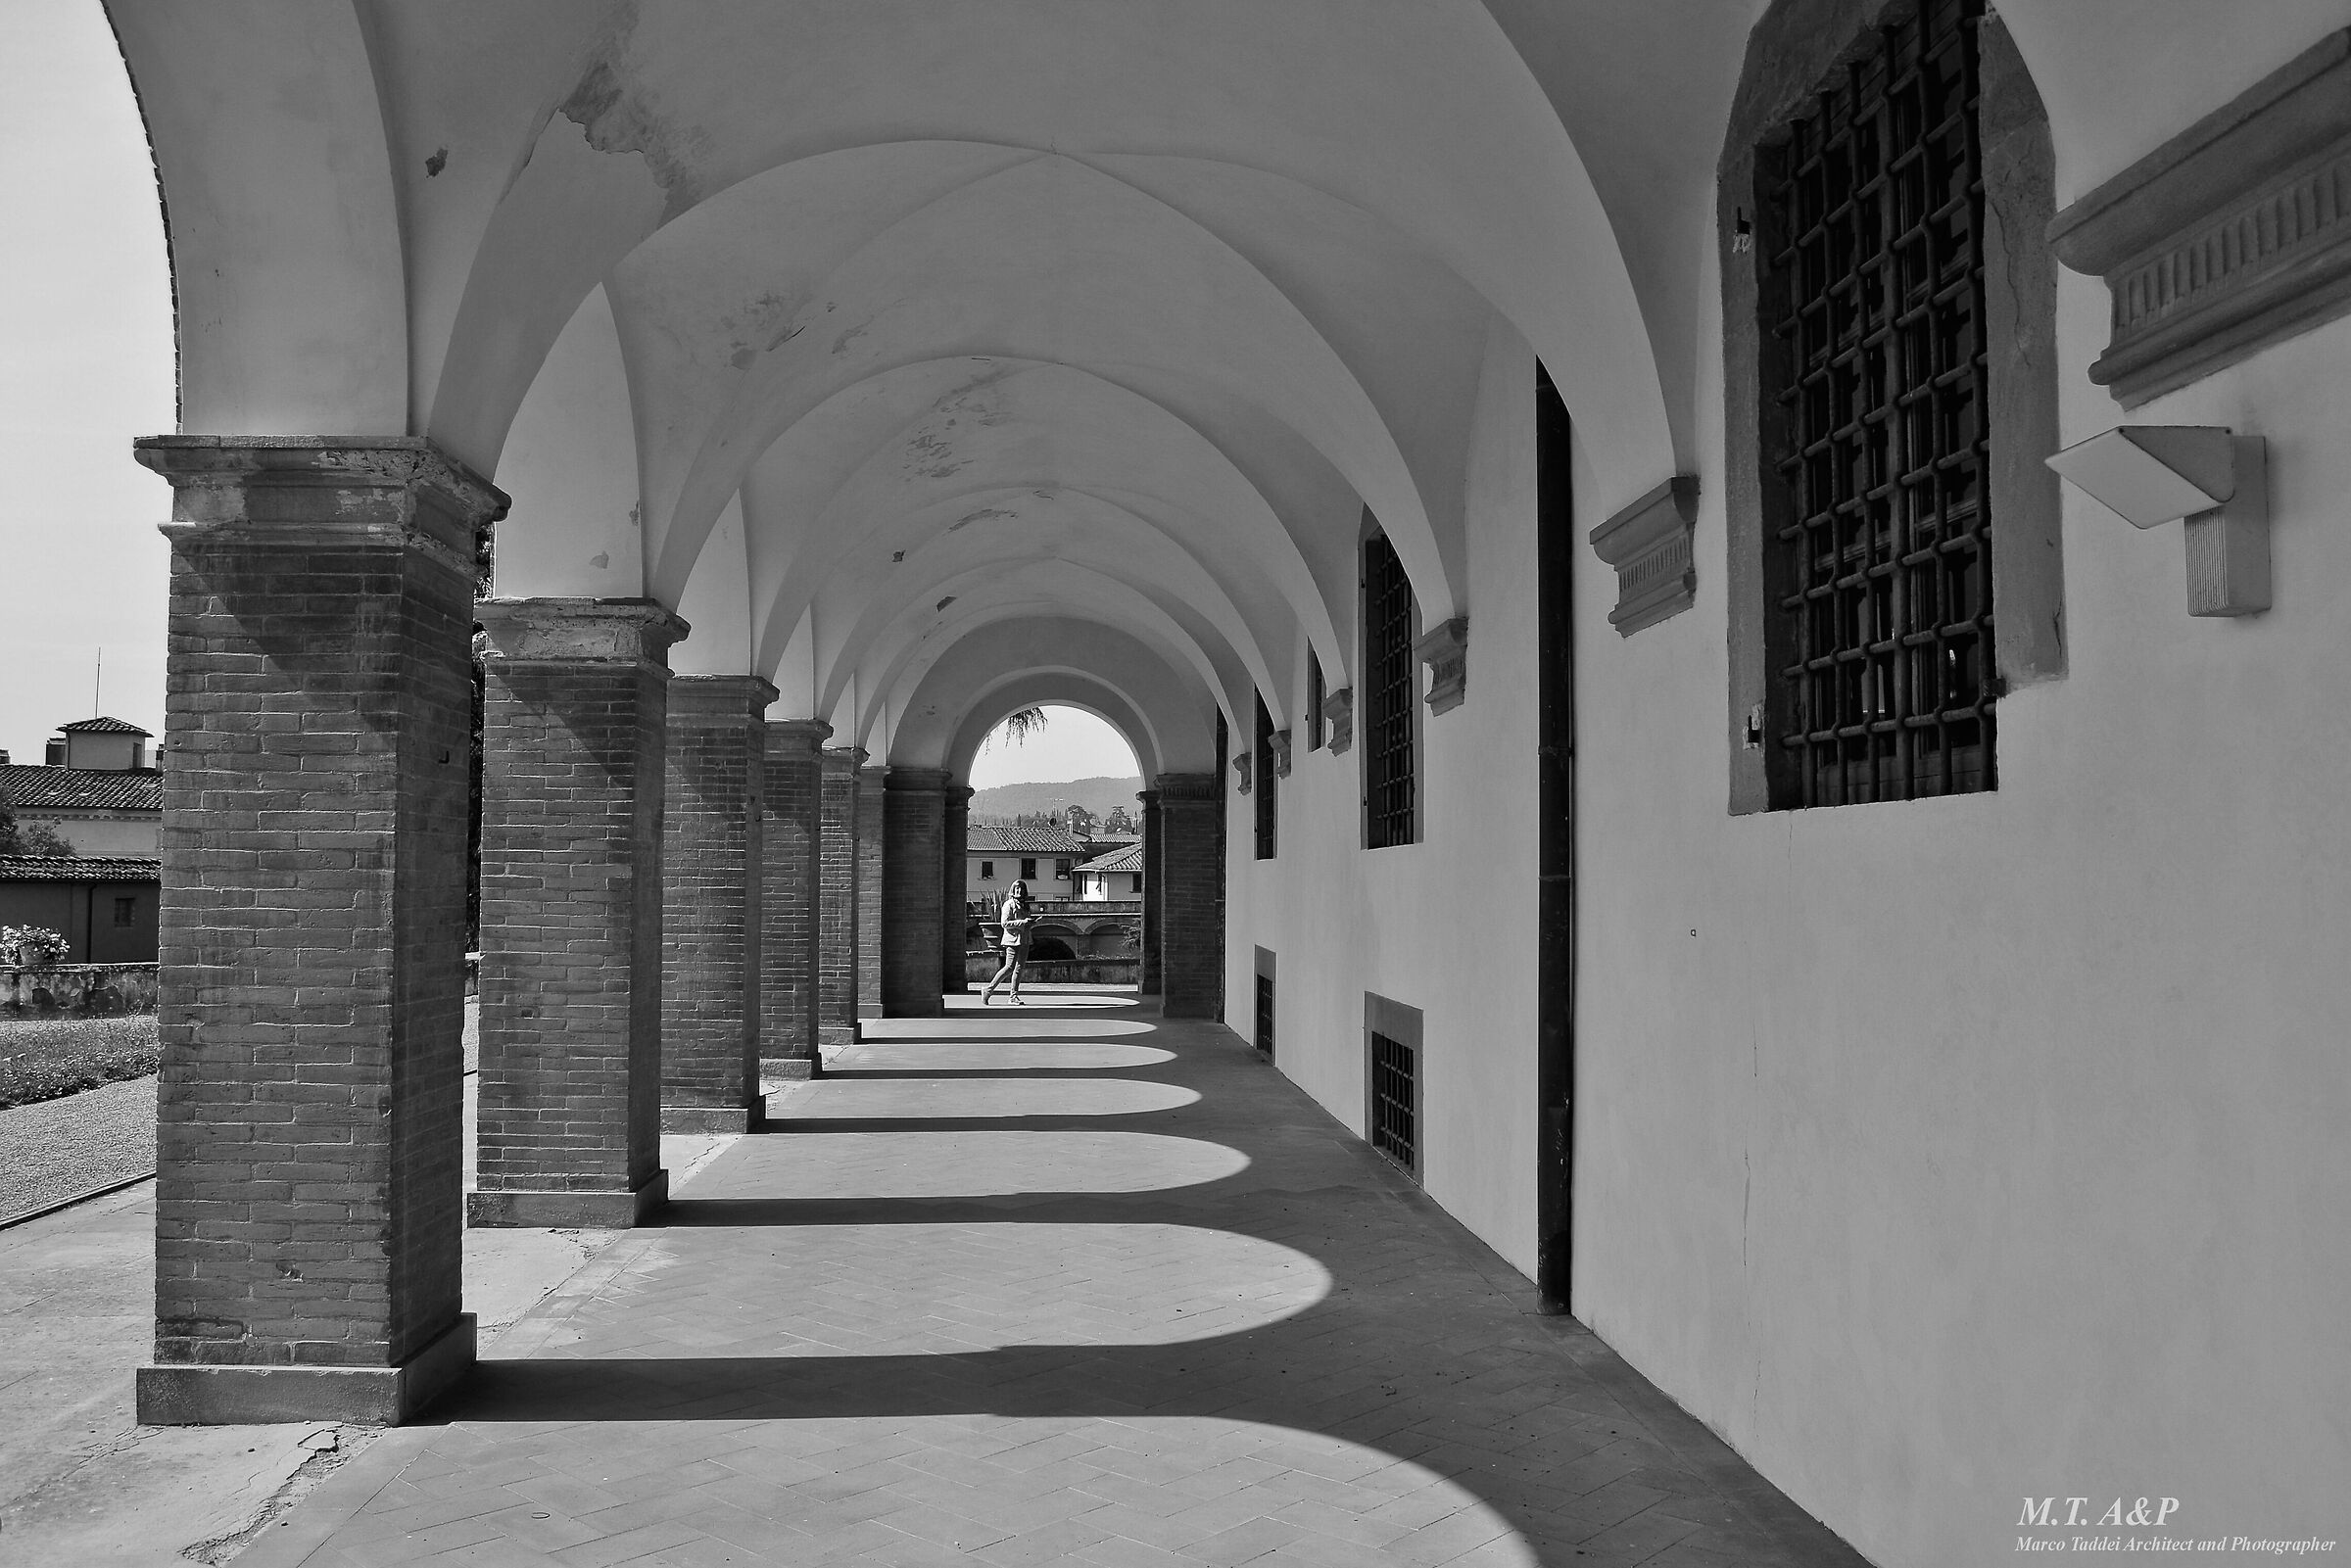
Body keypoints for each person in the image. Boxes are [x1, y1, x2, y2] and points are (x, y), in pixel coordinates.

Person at [981, 879, 1035, 1005]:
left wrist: (1031, 922)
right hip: (1012, 940)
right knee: (1009, 967)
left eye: (1021, 889)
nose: (1019, 891)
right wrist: (1022, 922)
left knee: (1019, 968)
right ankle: (988, 990)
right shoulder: (1008, 904)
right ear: (1013, 890)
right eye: (1017, 889)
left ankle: (1013, 996)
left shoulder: (1026, 905)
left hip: (1025, 939)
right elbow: (1004, 923)